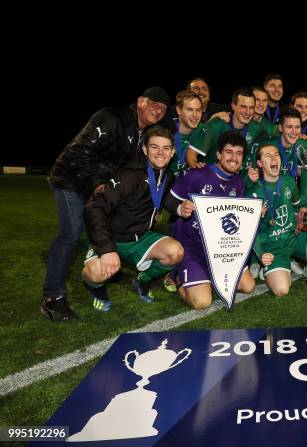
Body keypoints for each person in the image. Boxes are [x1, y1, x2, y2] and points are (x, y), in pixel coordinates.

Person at [42, 86, 170, 322]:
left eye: (163, 108)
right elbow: (79, 153)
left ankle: (109, 265)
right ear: (140, 101)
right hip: (71, 180)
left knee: (109, 217)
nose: (158, 110)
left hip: (100, 184)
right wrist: (100, 185)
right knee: (71, 233)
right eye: (154, 104)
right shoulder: (112, 118)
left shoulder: (146, 131)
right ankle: (53, 298)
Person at [81, 126, 183, 311]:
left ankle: (141, 280)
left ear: (173, 151)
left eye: (166, 148)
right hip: (112, 238)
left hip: (141, 237)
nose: (160, 152)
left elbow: (167, 199)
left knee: (175, 253)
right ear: (145, 149)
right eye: (154, 147)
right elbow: (94, 206)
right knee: (96, 273)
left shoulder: (167, 176)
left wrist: (179, 207)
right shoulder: (130, 174)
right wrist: (106, 250)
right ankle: (97, 290)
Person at [165, 131, 256, 309]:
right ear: (219, 154)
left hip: (220, 247)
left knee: (248, 286)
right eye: (229, 152)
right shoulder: (197, 174)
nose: (233, 158)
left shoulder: (237, 182)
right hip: (192, 245)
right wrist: (180, 208)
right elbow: (170, 199)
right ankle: (179, 277)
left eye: (239, 154)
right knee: (202, 302)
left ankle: (205, 278)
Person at [247, 144, 307, 295]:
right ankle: (275, 267)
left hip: (294, 238)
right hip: (274, 247)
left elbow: (299, 204)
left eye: (276, 154)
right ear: (259, 163)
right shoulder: (253, 191)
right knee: (281, 290)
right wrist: (260, 254)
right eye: (268, 155)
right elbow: (247, 230)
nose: (273, 158)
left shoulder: (289, 182)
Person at [188, 88, 265, 168]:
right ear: (233, 106)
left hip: (238, 178)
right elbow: (191, 152)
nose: (248, 112)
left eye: (251, 108)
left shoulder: (257, 129)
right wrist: (195, 167)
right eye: (243, 107)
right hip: (214, 177)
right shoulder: (216, 125)